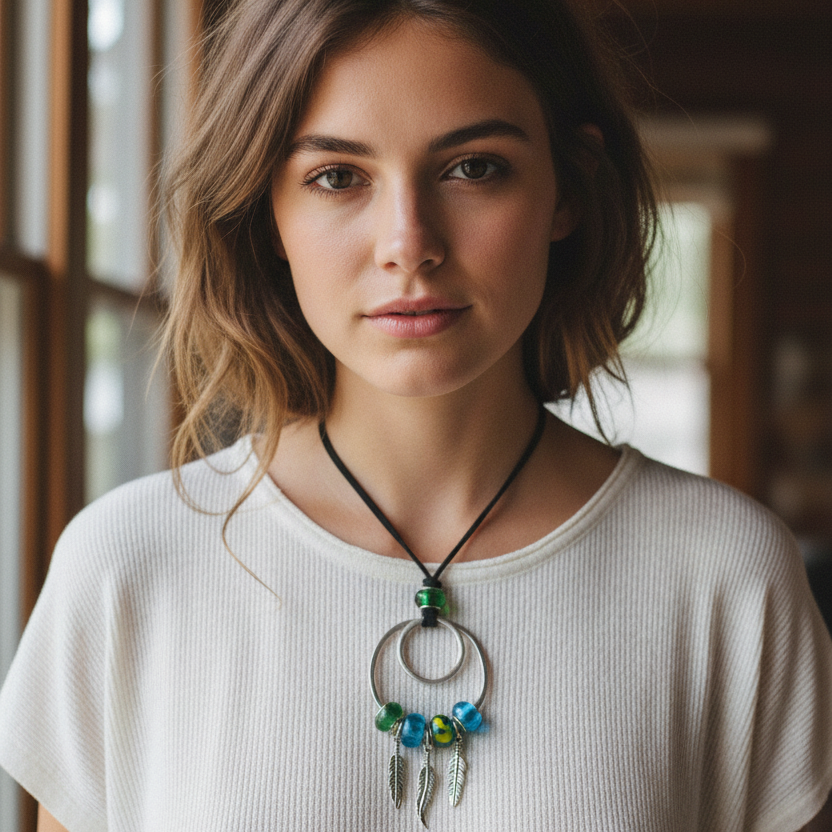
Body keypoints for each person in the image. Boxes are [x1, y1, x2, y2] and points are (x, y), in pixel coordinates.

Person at [2, 0, 832, 829]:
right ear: (267, 212)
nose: (409, 242)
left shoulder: (728, 578)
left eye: (473, 167)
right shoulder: (125, 569)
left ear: (568, 190)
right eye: (338, 176)